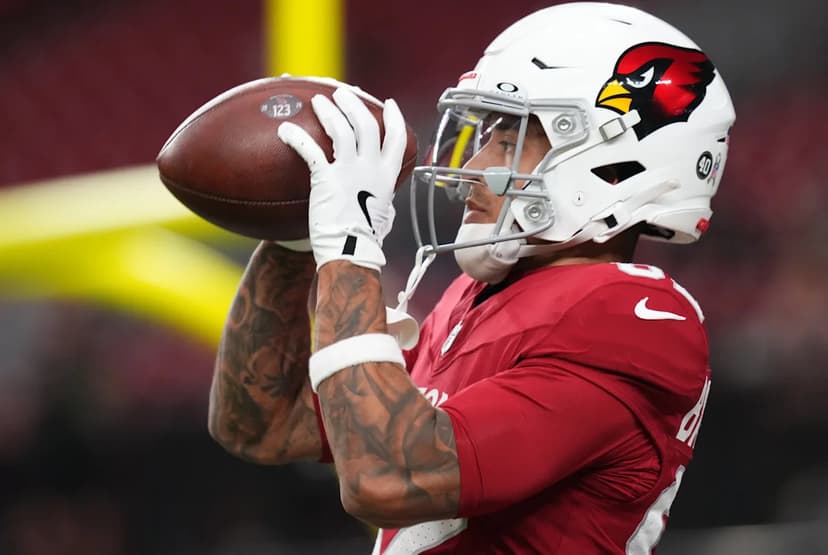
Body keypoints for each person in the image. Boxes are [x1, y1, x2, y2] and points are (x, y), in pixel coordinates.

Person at [207, 2, 735, 553]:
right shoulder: (477, 296)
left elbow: (388, 476)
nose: (476, 166)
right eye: (487, 137)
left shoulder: (633, 316)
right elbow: (260, 425)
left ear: (617, 163)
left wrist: (348, 245)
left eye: (510, 141)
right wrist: (294, 241)